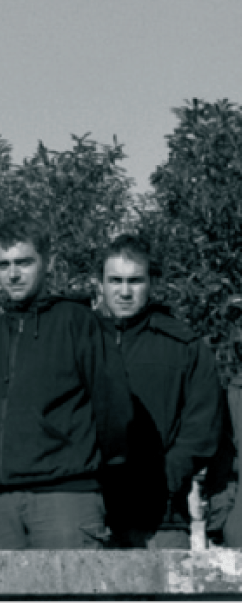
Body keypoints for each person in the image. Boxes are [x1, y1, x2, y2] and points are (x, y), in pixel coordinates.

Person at [0, 216, 133, 549]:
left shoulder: (79, 324)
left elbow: (114, 409)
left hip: (64, 496)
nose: (13, 274)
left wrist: (91, 469)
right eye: (3, 265)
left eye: (23, 262)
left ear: (47, 262)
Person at [94, 234, 224, 548]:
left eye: (135, 281)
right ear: (99, 284)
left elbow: (202, 428)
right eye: (115, 280)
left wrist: (165, 478)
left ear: (151, 283)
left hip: (162, 518)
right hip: (91, 513)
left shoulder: (183, 346)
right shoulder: (78, 341)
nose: (125, 292)